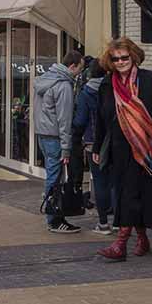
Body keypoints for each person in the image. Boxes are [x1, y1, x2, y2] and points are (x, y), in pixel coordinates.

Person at [93, 37, 152, 261]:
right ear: (110, 61)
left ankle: (122, 244)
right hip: (120, 150)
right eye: (115, 58)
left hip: (147, 149)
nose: (120, 62)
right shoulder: (107, 85)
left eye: (124, 57)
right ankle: (139, 239)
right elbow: (101, 118)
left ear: (133, 56)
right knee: (127, 194)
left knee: (136, 195)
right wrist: (96, 145)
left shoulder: (149, 80)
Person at [34, 49, 86, 234]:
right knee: (55, 179)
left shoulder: (45, 79)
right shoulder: (63, 86)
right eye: (80, 68)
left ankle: (53, 215)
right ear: (72, 66)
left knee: (52, 175)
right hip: (55, 137)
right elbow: (64, 119)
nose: (80, 73)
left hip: (43, 134)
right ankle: (54, 219)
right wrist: (66, 147)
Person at [74, 59, 113, 234]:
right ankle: (120, 222)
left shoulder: (86, 92)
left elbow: (81, 120)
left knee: (99, 181)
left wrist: (76, 134)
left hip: (92, 142)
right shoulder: (114, 88)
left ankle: (103, 223)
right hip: (115, 140)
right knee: (116, 182)